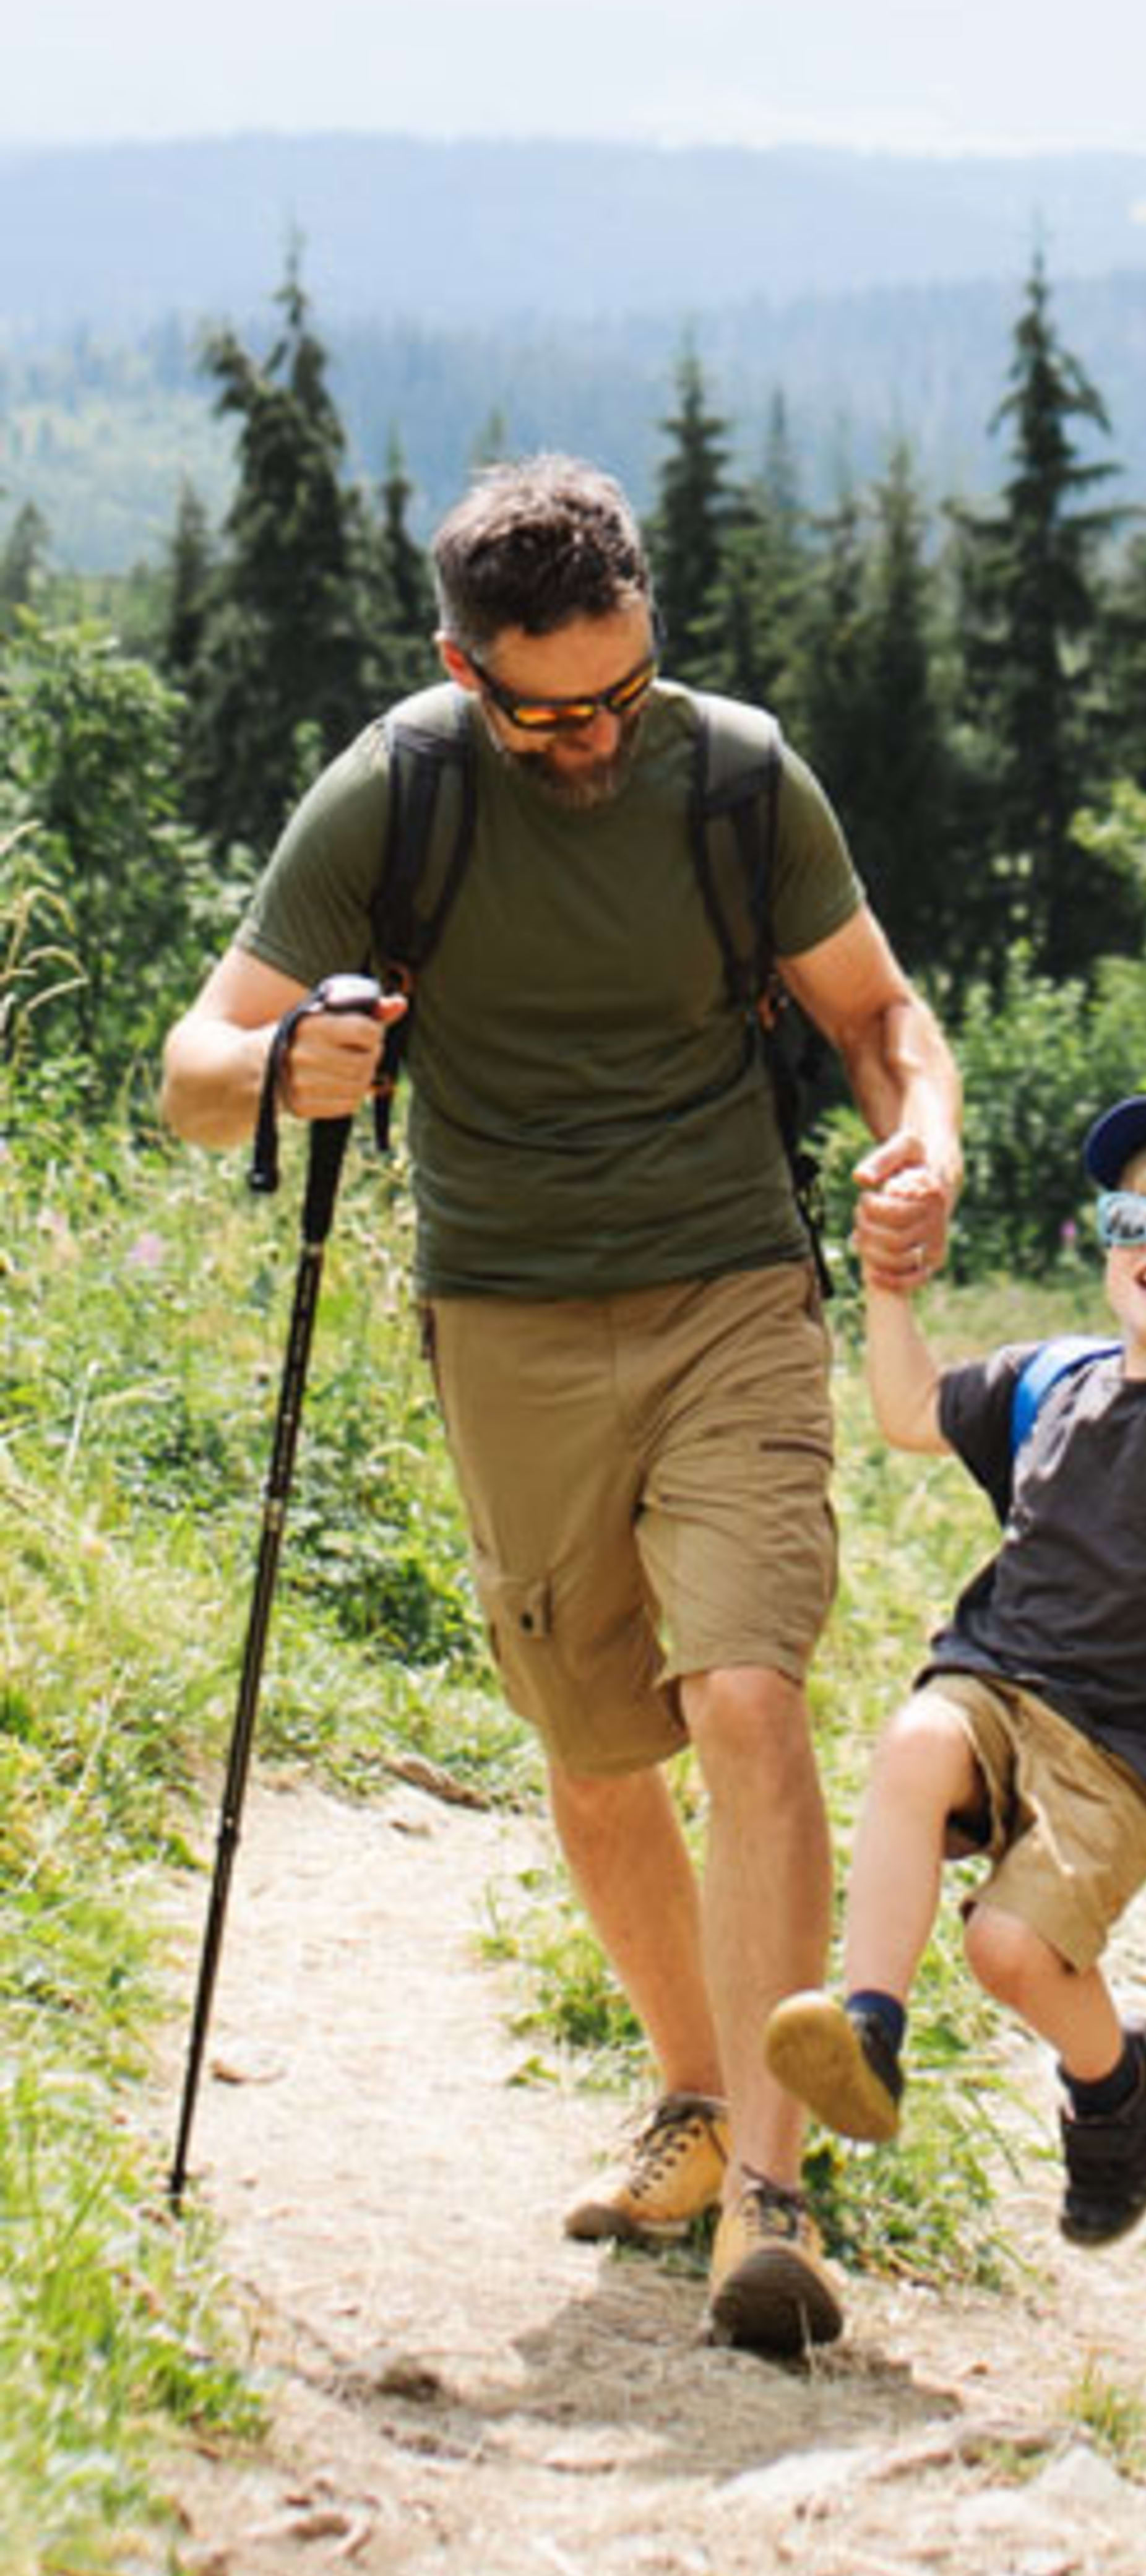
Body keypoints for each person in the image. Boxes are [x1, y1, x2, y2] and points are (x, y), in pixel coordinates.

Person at [159, 455, 962, 2362]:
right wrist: (290, 1060)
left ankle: (776, 2200)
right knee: (600, 1755)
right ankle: (699, 2099)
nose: (593, 735)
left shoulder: (742, 775)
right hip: (505, 1315)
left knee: (747, 1693)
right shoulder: (400, 788)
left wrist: (919, 1138)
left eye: (619, 690)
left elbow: (873, 1015)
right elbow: (195, 1069)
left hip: (729, 1288)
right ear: (463, 662)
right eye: (548, 709)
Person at [764, 1094, 1146, 2248]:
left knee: (1012, 1953)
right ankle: (869, 2030)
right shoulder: (1053, 1380)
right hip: (999, 1681)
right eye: (1137, 1218)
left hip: (1128, 1751)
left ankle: (1114, 2082)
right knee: (917, 1740)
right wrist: (889, 1291)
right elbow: (906, 1413)